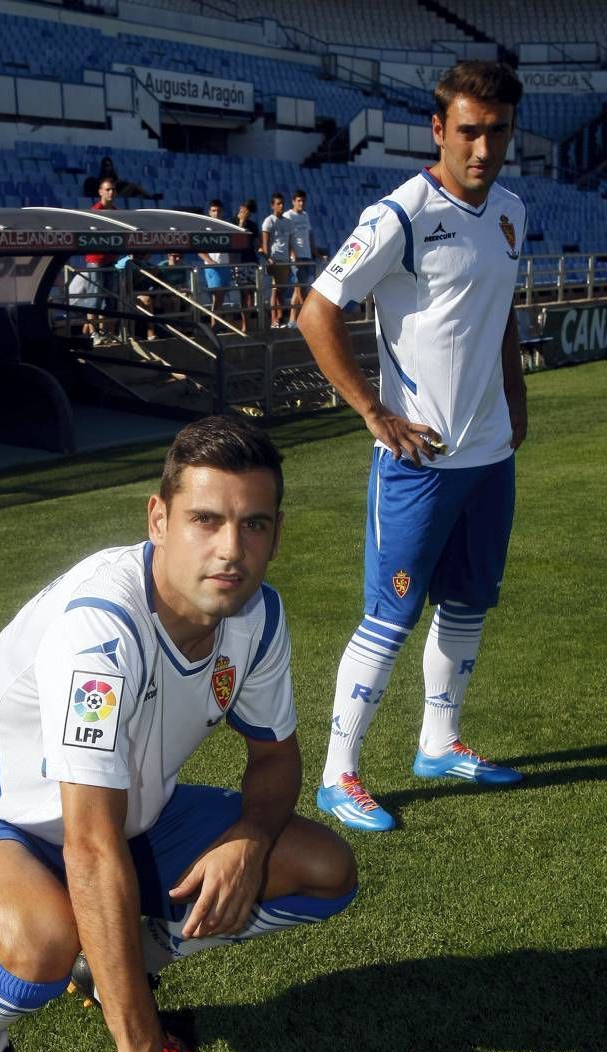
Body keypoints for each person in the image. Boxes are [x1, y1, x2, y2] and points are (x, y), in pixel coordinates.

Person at [0, 415, 359, 1052]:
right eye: (205, 520)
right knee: (45, 939)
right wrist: (137, 1050)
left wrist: (248, 837)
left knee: (321, 867)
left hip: (127, 816)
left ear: (275, 534)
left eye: (253, 525)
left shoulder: (257, 615)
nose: (229, 550)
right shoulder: (99, 636)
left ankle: (117, 963)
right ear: (159, 518)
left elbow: (275, 760)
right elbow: (89, 844)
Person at [297, 60, 527, 832]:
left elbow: (498, 314)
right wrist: (373, 411)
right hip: (419, 461)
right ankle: (339, 776)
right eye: (468, 131)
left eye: (497, 132)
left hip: (489, 455)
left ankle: (438, 741)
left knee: (467, 605)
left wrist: (516, 395)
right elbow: (316, 312)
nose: (483, 148)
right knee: (388, 619)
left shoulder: (511, 212)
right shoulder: (398, 215)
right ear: (439, 129)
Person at [84, 176, 119, 344]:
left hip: (111, 259)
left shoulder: (116, 212)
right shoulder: (94, 211)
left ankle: (105, 332)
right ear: (100, 192)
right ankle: (93, 332)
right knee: (94, 297)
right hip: (96, 259)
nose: (111, 192)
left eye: (113, 189)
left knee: (109, 297)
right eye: (108, 189)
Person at [260, 193, 296, 330]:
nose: (281, 206)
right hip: (274, 260)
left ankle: (280, 318)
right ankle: (274, 320)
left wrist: (292, 256)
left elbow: (290, 243)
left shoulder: (287, 222)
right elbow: (265, 242)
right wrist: (268, 258)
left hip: (285, 260)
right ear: (272, 205)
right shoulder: (269, 221)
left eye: (282, 203)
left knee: (282, 290)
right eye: (278, 203)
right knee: (275, 290)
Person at [284, 189, 320, 327]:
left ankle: (293, 320)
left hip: (307, 256)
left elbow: (309, 236)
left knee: (299, 289)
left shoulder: (305, 215)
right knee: (300, 288)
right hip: (297, 258)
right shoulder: (288, 216)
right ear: (293, 201)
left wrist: (315, 253)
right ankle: (307, 317)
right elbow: (288, 237)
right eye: (299, 200)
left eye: (303, 201)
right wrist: (293, 255)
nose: (301, 203)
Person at [198, 200, 232, 328]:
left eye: (218, 211)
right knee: (217, 295)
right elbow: (199, 250)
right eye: (213, 211)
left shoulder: (225, 227)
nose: (216, 213)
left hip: (225, 265)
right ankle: (214, 324)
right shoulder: (205, 228)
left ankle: (216, 323)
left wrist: (231, 263)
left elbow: (230, 247)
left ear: (222, 212)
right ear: (209, 212)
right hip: (213, 267)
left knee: (221, 296)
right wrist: (211, 262)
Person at [232, 199, 260, 335]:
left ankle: (250, 321)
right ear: (241, 208)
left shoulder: (253, 225)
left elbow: (256, 244)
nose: (248, 213)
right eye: (246, 210)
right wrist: (241, 224)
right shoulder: (232, 222)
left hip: (251, 260)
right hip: (239, 261)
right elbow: (235, 241)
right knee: (243, 293)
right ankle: (245, 324)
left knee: (252, 293)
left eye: (250, 211)